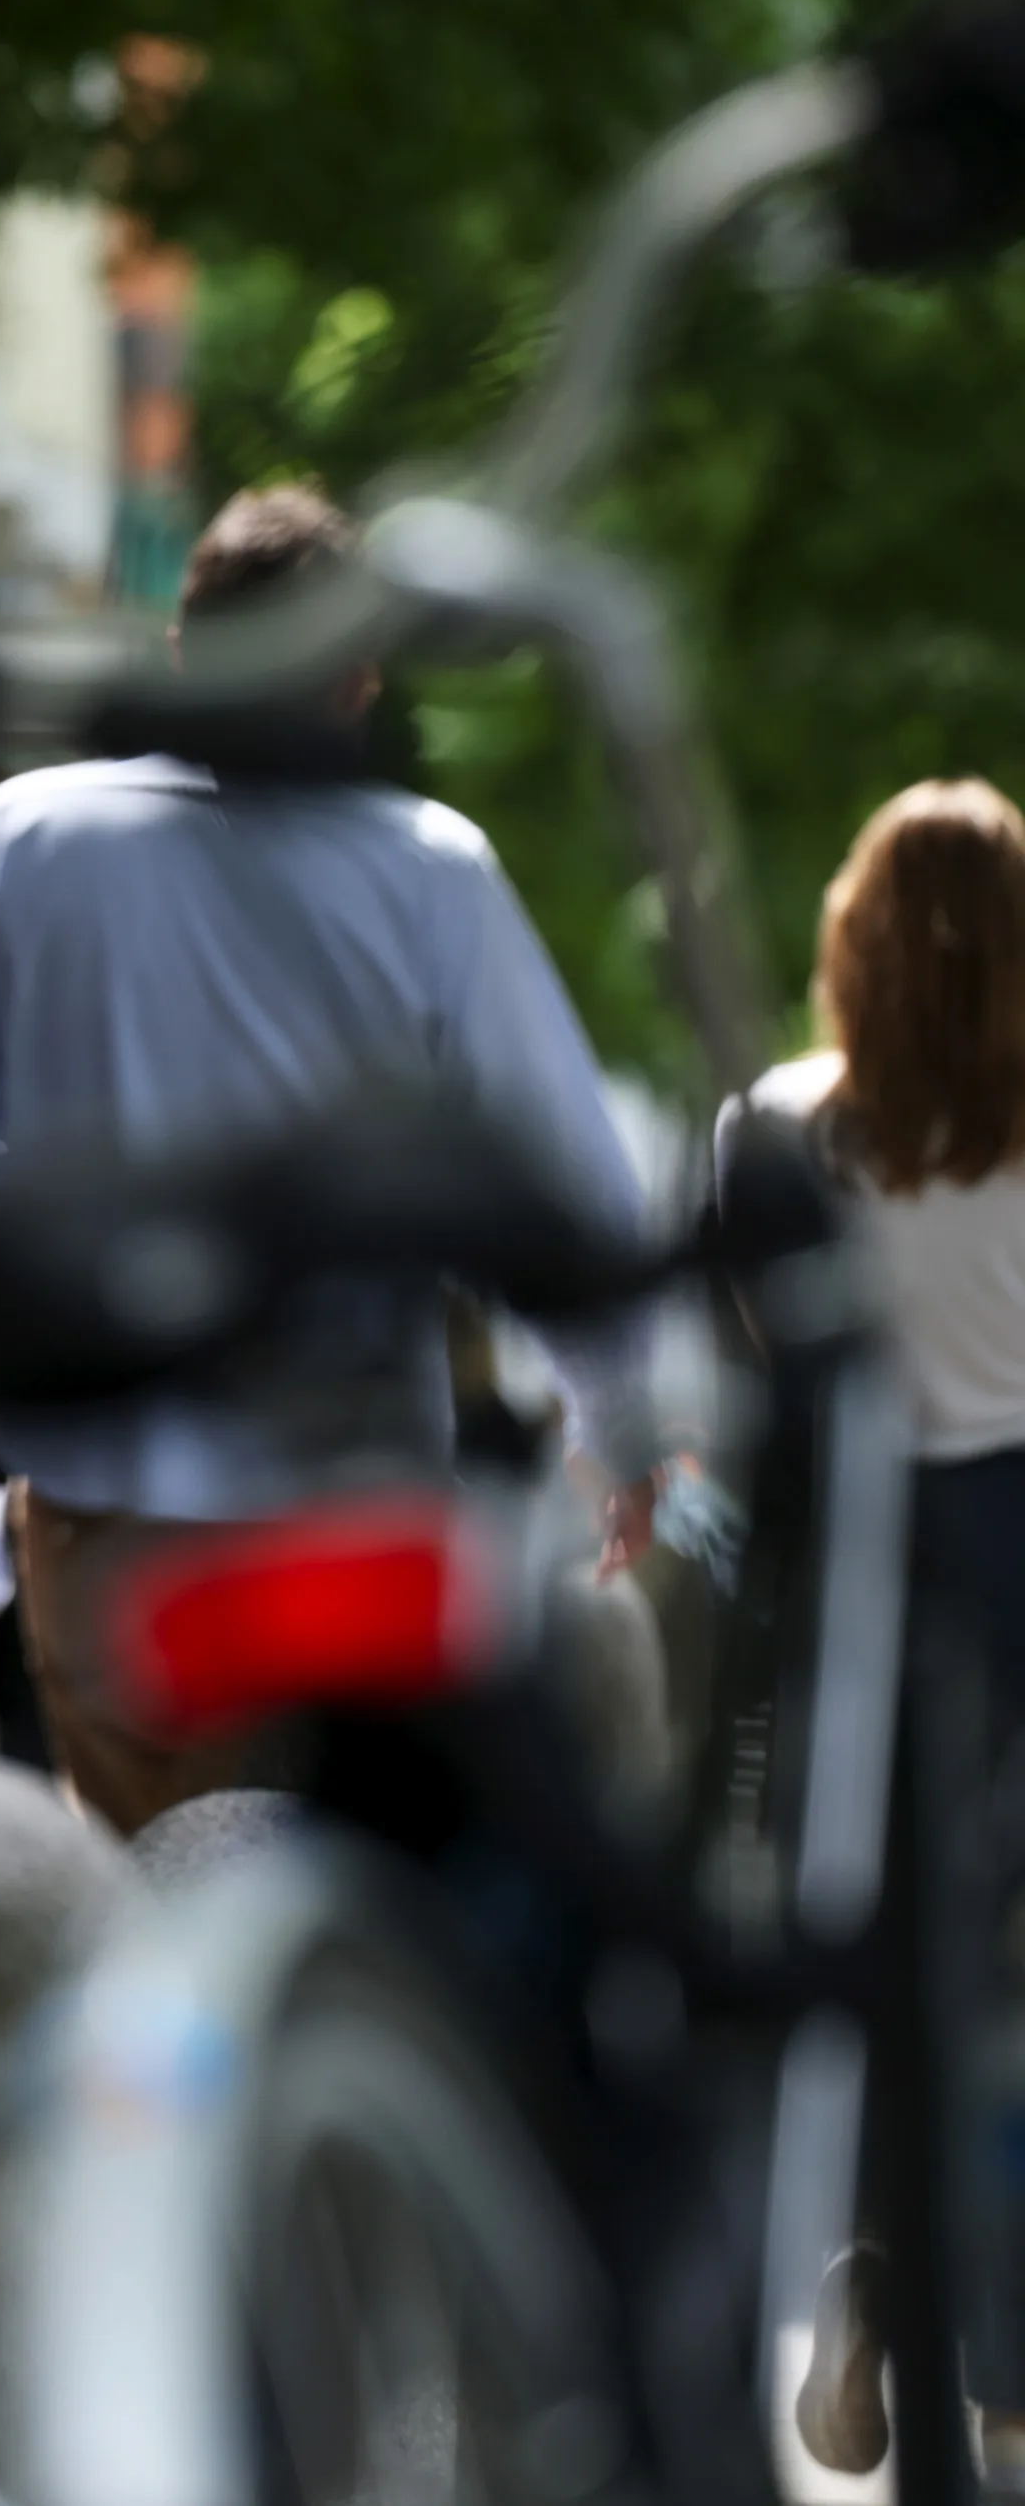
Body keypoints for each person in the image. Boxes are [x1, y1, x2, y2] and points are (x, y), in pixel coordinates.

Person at [0, 484, 656, 1836]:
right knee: (355, 1899)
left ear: (186, 651)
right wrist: (621, 1426)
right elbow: (564, 1179)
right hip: (353, 1513)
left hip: (102, 1496)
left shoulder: (22, 840)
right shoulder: (429, 868)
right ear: (356, 679)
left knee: (138, 1890)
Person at [754, 779, 1025, 2479]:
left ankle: (878, 2277)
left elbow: (749, 1368)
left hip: (857, 1571)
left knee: (871, 1959)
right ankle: (1003, 2333)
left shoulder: (780, 1126)